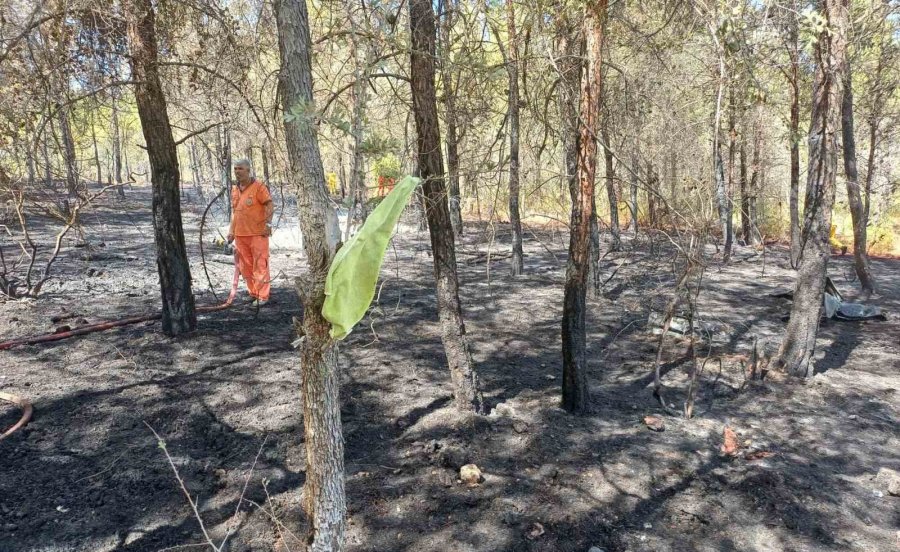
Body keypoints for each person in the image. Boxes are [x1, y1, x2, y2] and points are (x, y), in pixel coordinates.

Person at [227, 159, 274, 306]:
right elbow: (235, 212)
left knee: (260, 264)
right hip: (241, 235)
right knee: (245, 266)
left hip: (257, 234)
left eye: (240, 168)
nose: (237, 171)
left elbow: (269, 205)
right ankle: (253, 292)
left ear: (248, 170)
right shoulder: (235, 189)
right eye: (235, 169)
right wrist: (231, 231)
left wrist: (268, 224)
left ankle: (262, 296)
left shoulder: (259, 187)